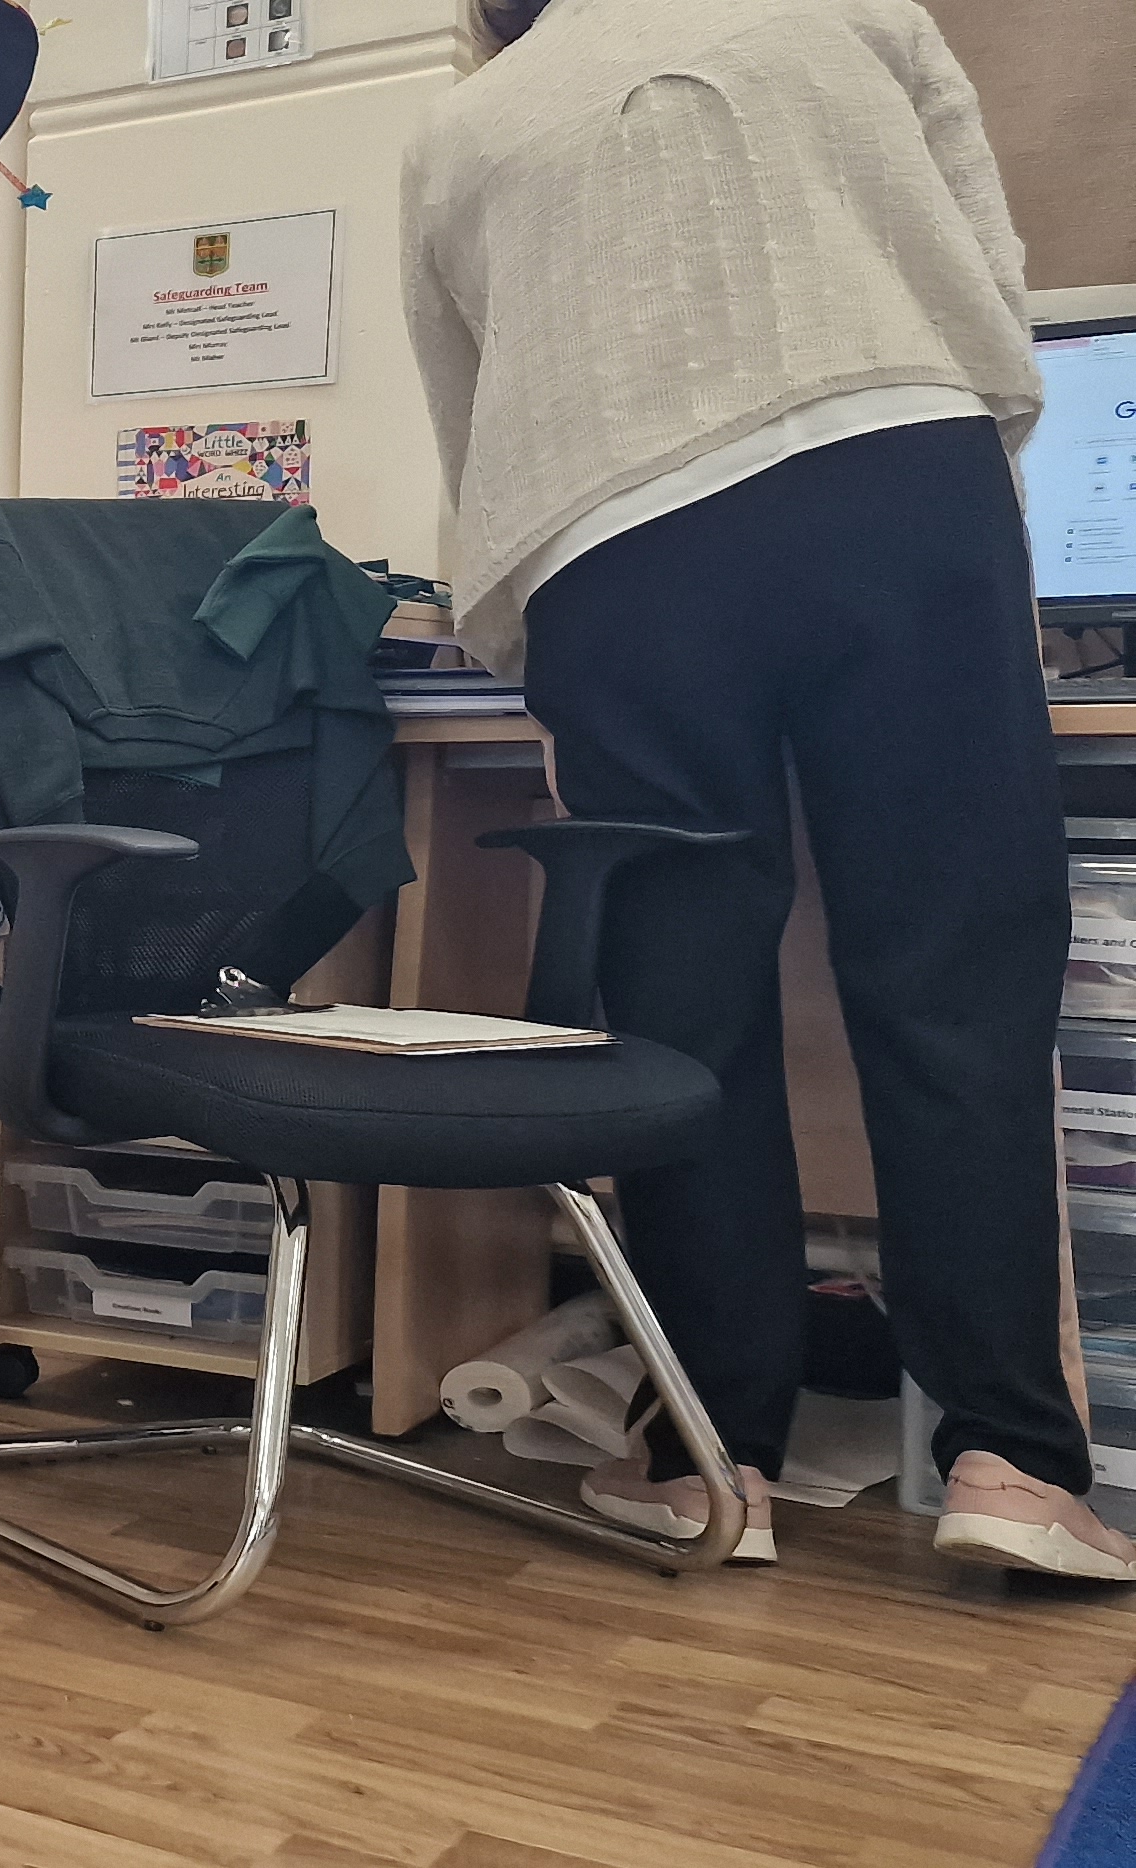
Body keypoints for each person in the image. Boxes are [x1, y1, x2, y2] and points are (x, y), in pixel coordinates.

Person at [406, 0, 1131, 1580]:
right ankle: (1009, 1460)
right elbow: (982, 268)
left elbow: (477, 425)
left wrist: (533, 634)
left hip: (616, 543)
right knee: (953, 973)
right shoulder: (852, 11)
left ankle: (708, 1457)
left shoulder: (466, 121)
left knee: (688, 1003)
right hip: (894, 465)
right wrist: (969, 464)